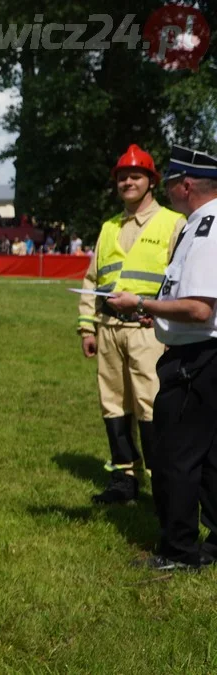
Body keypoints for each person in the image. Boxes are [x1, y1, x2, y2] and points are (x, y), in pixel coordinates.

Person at [108, 145, 217, 571]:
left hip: (196, 356)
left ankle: (178, 550)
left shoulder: (207, 227)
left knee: (176, 457)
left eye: (171, 181)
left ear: (186, 185)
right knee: (208, 459)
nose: (168, 189)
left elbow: (199, 308)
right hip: (200, 352)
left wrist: (144, 305)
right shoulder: (200, 224)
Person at [77, 145, 185, 504]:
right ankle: (124, 479)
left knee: (151, 405)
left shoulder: (173, 223)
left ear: (151, 182)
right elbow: (92, 279)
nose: (128, 182)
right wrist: (87, 327)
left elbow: (182, 279)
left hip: (148, 330)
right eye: (122, 177)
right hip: (109, 330)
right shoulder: (108, 227)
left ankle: (161, 482)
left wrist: (174, 329)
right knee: (113, 405)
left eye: (135, 176)